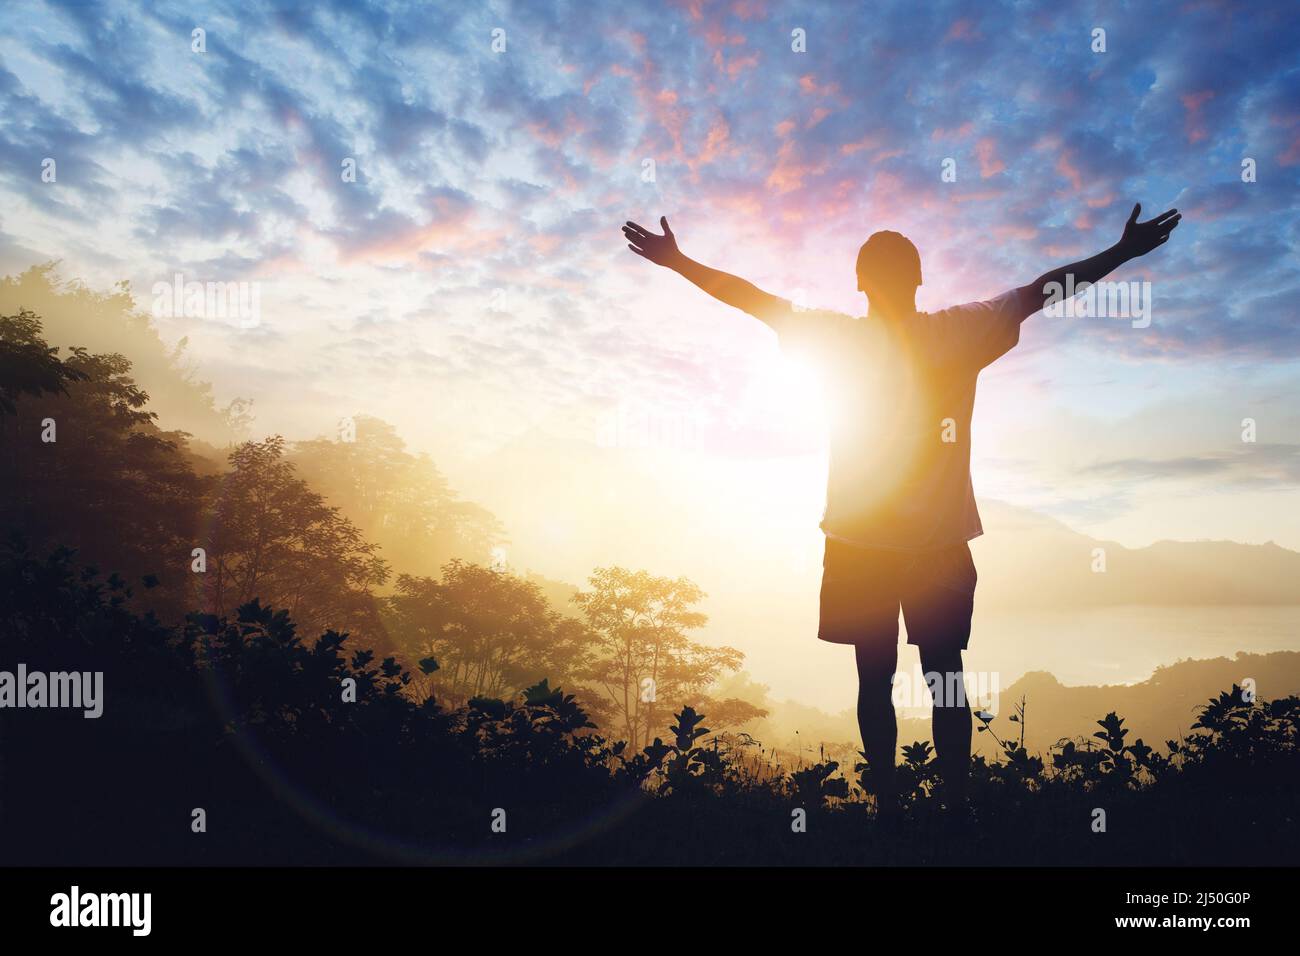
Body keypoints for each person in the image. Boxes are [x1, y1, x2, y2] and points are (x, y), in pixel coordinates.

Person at [621, 203, 1181, 819]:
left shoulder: (836, 338)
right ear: (918, 281)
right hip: (936, 545)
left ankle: (888, 806)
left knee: (874, 680)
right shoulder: (958, 331)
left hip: (860, 544)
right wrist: (1121, 252)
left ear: (860, 283)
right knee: (945, 679)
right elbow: (1040, 292)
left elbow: (753, 300)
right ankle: (955, 805)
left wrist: (678, 263)